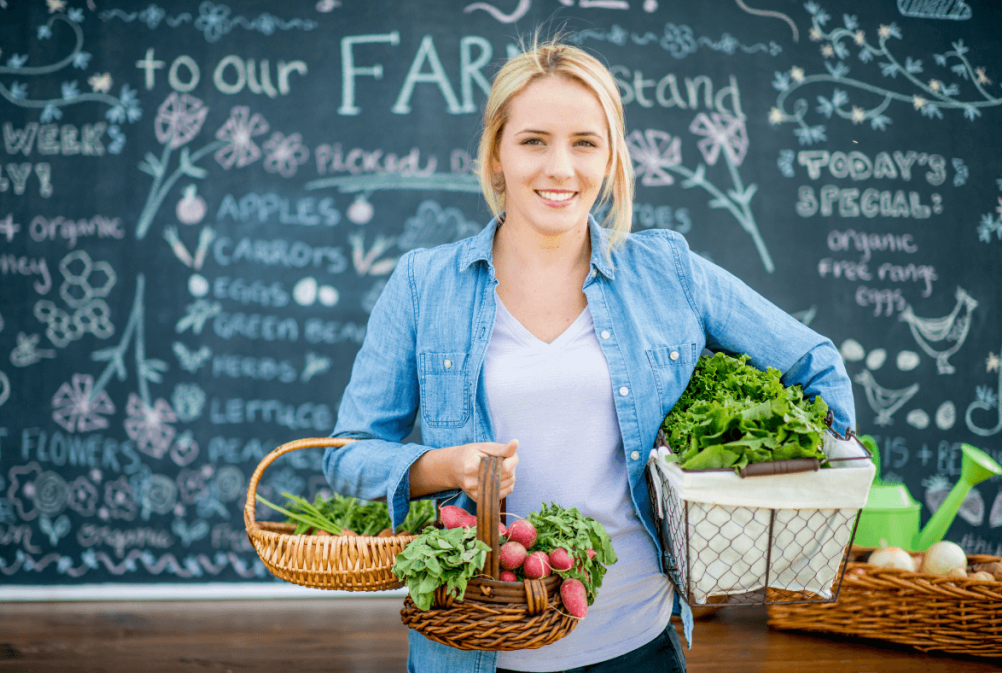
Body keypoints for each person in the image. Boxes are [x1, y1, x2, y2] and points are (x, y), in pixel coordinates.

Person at [323, 34, 855, 673]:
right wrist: (447, 466)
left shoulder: (667, 271)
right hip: (469, 649)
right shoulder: (422, 285)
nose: (559, 169)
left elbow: (812, 361)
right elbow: (349, 456)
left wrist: (816, 477)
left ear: (611, 158)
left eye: (584, 143)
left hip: (635, 642)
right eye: (533, 141)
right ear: (496, 154)